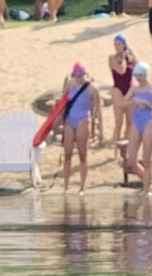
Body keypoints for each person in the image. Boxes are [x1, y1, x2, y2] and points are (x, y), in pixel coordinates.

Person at [54, 63, 98, 192]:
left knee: (82, 154)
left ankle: (82, 186)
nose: (78, 78)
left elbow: (98, 109)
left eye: (81, 75)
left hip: (83, 119)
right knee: (67, 155)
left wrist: (100, 131)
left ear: (85, 75)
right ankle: (66, 187)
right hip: (69, 119)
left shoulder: (92, 88)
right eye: (76, 75)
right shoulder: (69, 85)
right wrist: (58, 118)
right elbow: (63, 104)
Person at [124, 62, 152, 191]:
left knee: (147, 160)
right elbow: (123, 103)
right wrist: (132, 101)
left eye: (141, 75)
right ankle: (149, 185)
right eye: (137, 76)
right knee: (132, 162)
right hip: (137, 119)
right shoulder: (135, 88)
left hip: (149, 120)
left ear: (146, 74)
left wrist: (145, 102)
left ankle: (147, 190)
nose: (139, 78)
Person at [106, 32, 138, 147]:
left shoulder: (130, 55)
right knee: (118, 123)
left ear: (124, 44)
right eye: (115, 44)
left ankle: (127, 147)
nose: (117, 47)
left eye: (119, 44)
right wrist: (124, 58)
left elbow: (139, 68)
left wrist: (132, 57)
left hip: (130, 90)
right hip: (118, 90)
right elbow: (121, 70)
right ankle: (115, 147)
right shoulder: (112, 58)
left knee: (130, 122)